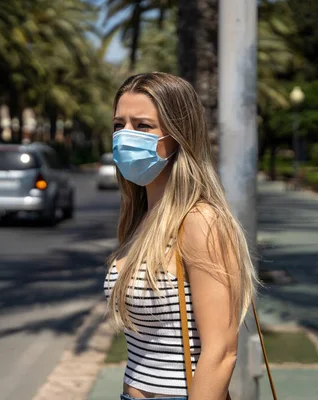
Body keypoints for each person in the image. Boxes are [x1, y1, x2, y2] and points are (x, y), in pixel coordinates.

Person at [104, 72, 258, 400]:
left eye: (142, 126)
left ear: (178, 135)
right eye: (119, 125)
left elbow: (221, 353)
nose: (125, 136)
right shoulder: (140, 219)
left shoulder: (200, 221)